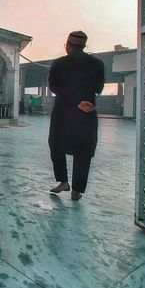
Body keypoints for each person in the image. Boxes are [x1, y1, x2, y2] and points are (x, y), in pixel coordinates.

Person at [48, 31, 105, 200]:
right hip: (86, 113)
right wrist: (81, 102)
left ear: (67, 46)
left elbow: (53, 87)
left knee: (56, 145)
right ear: (84, 46)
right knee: (83, 151)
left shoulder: (59, 63)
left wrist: (74, 102)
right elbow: (98, 88)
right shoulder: (97, 63)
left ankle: (63, 181)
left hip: (63, 113)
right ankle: (76, 191)